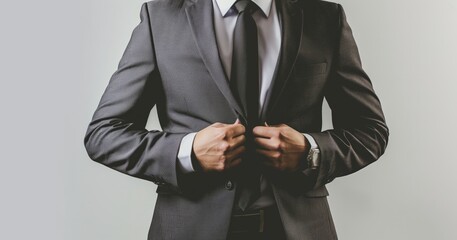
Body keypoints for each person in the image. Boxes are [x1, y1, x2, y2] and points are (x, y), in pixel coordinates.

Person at [84, 0, 389, 239]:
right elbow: (103, 134)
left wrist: (310, 151)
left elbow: (370, 130)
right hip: (190, 229)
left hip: (298, 230)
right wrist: (187, 152)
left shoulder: (325, 19)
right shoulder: (160, 19)